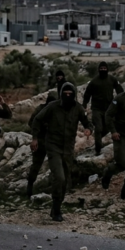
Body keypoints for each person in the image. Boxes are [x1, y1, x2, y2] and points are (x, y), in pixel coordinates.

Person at [30, 83, 92, 221]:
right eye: (65, 93)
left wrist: (89, 129)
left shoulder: (78, 108)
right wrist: (34, 138)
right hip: (53, 146)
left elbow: (87, 122)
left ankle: (56, 207)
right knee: (59, 177)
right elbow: (37, 119)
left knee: (65, 181)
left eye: (70, 93)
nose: (68, 96)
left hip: (68, 149)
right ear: (61, 94)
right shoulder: (53, 107)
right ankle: (57, 209)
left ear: (74, 94)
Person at [82, 62, 124, 156]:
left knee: (108, 127)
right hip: (96, 109)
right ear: (99, 69)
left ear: (107, 69)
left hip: (109, 108)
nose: (103, 70)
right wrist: (84, 104)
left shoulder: (112, 79)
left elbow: (119, 90)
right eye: (101, 68)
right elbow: (87, 94)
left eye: (105, 68)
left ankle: (98, 139)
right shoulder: (94, 81)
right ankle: (98, 149)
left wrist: (121, 100)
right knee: (98, 128)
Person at [26, 91, 58, 198]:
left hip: (50, 141)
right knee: (37, 165)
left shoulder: (56, 110)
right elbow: (31, 123)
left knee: (54, 165)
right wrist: (39, 131)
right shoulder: (41, 110)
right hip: (42, 141)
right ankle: (29, 189)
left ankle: (55, 188)